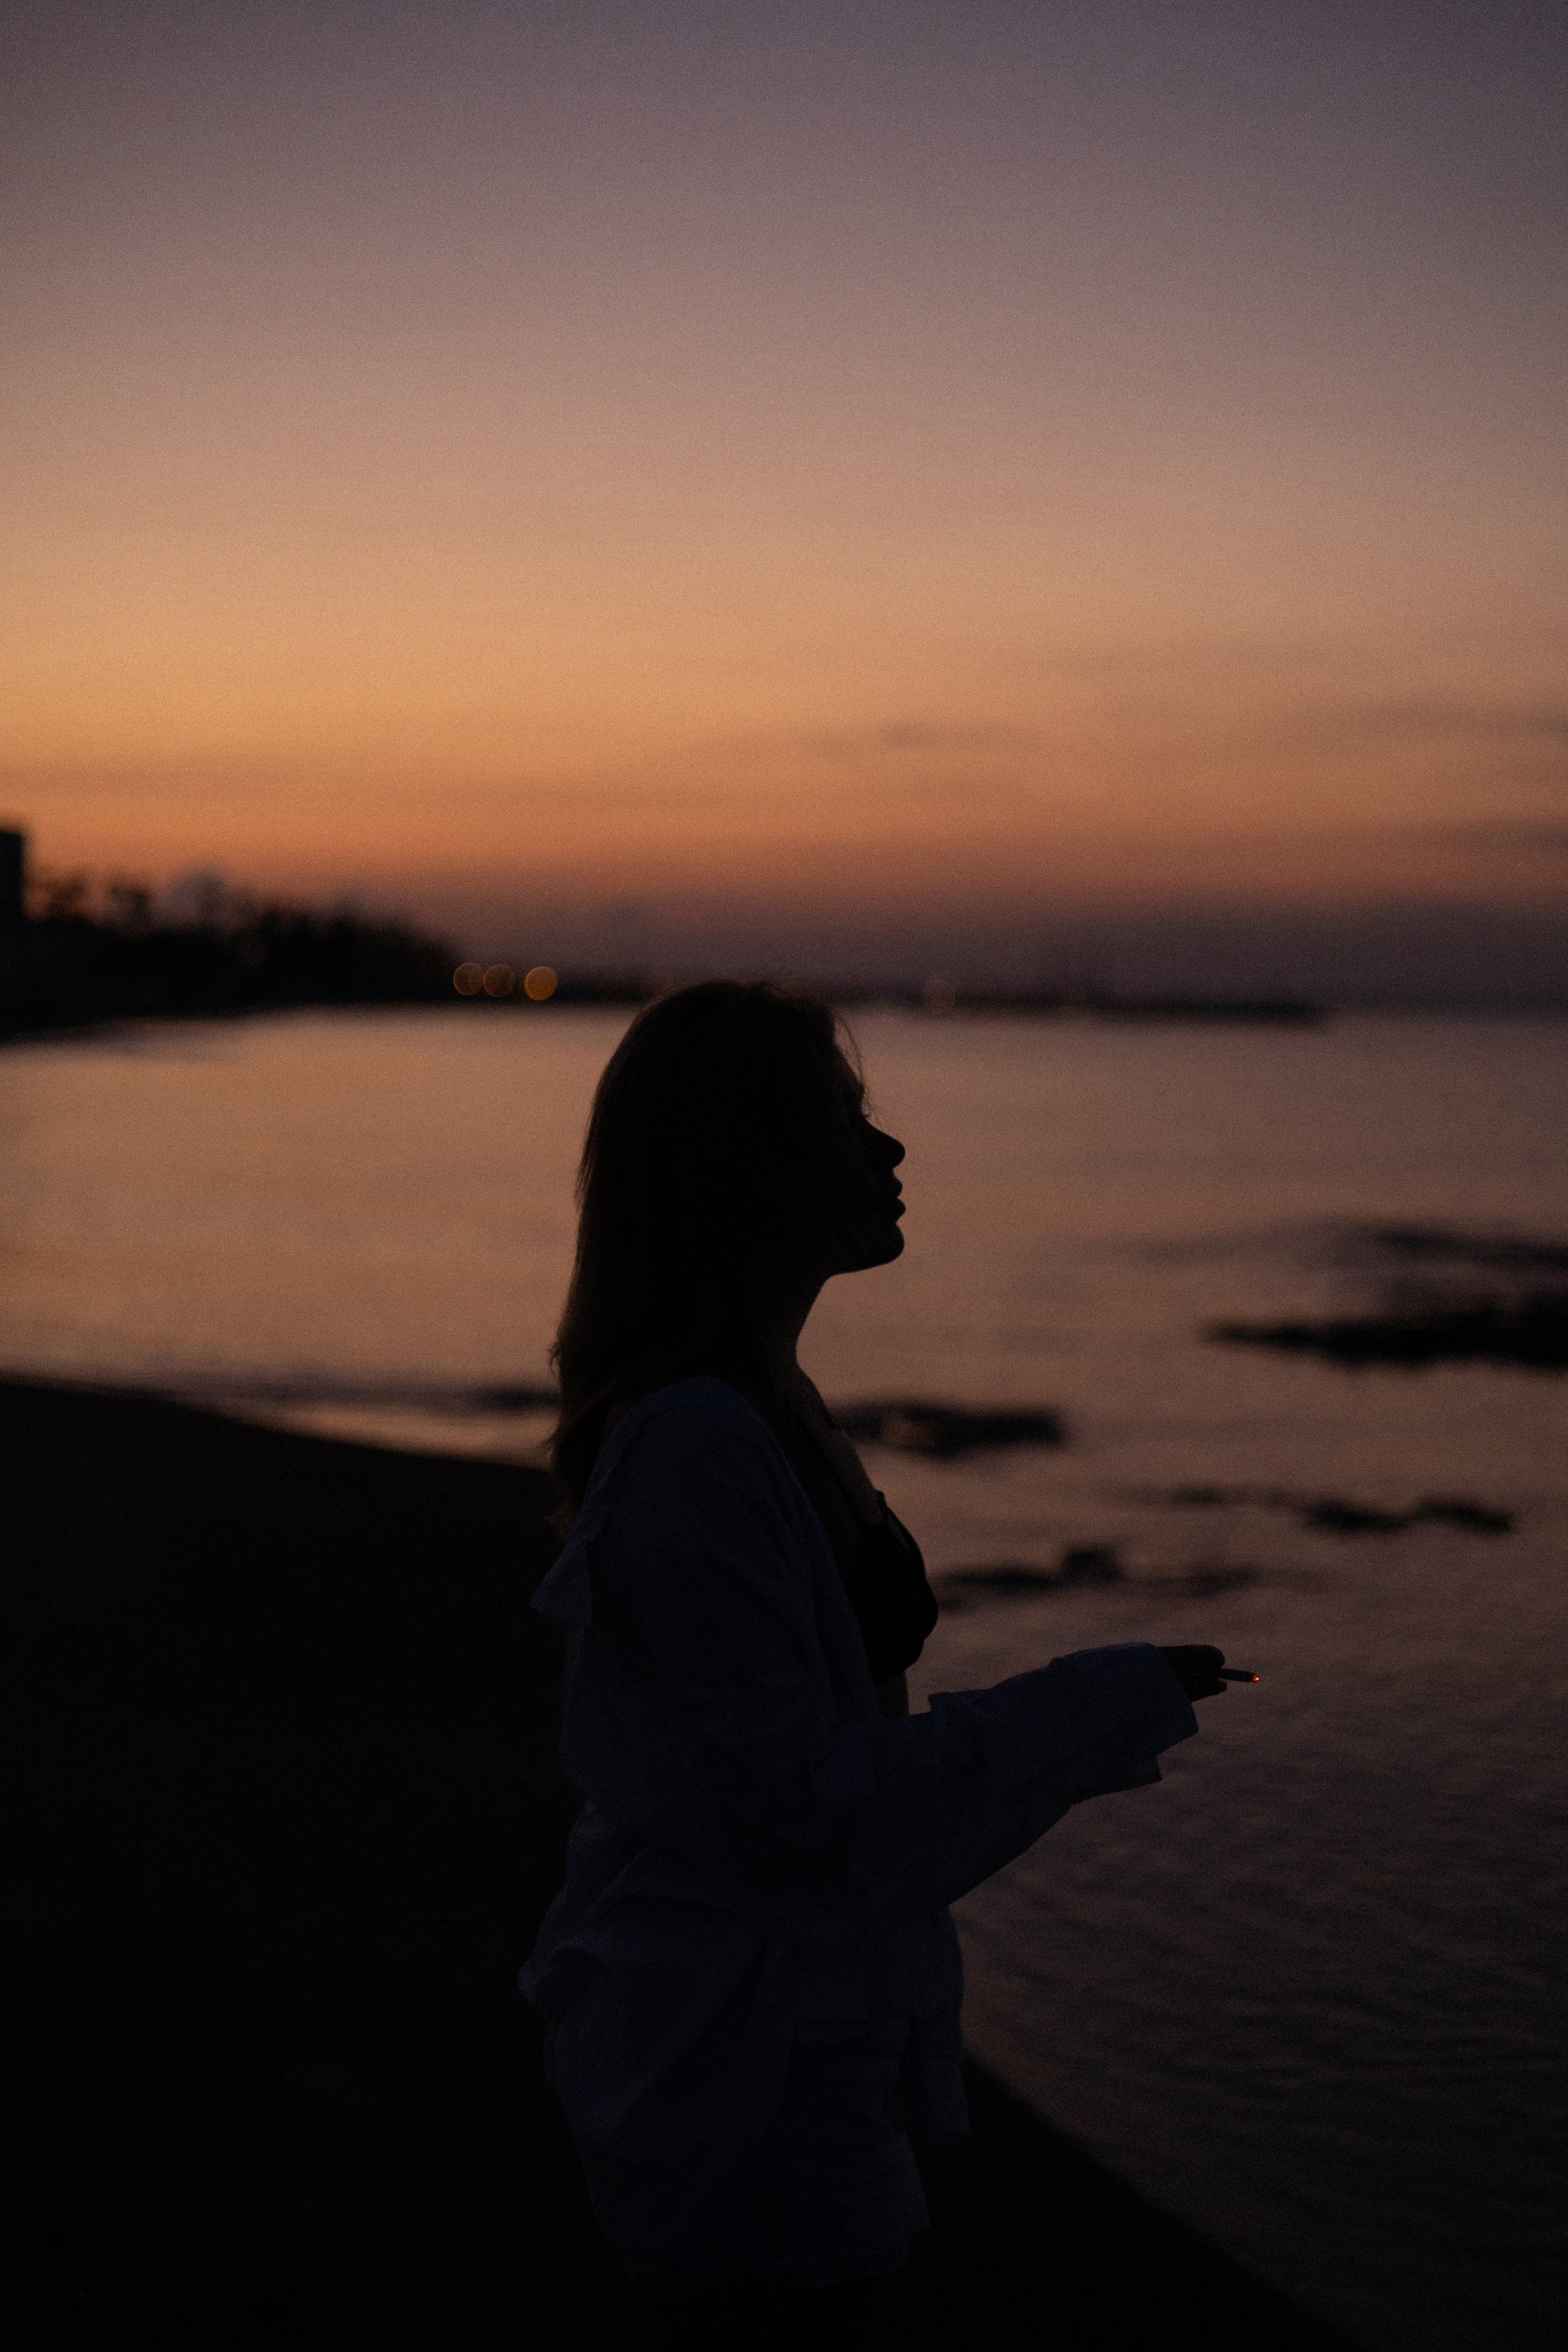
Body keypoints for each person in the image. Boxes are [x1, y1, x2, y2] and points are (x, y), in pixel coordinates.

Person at [519, 981, 1233, 2338]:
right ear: (747, 1168)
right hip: (740, 2067)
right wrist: (1087, 1710)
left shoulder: (773, 1406)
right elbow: (798, 1814)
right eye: (846, 1123)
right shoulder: (696, 1450)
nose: (890, 1153)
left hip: (813, 2040)